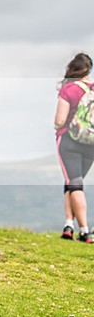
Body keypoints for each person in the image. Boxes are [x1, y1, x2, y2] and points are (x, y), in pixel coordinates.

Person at [54, 52, 94, 243]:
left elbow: (60, 120)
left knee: (75, 183)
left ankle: (84, 230)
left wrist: (57, 126)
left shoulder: (69, 89)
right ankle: (68, 224)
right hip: (91, 143)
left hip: (69, 142)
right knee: (72, 180)